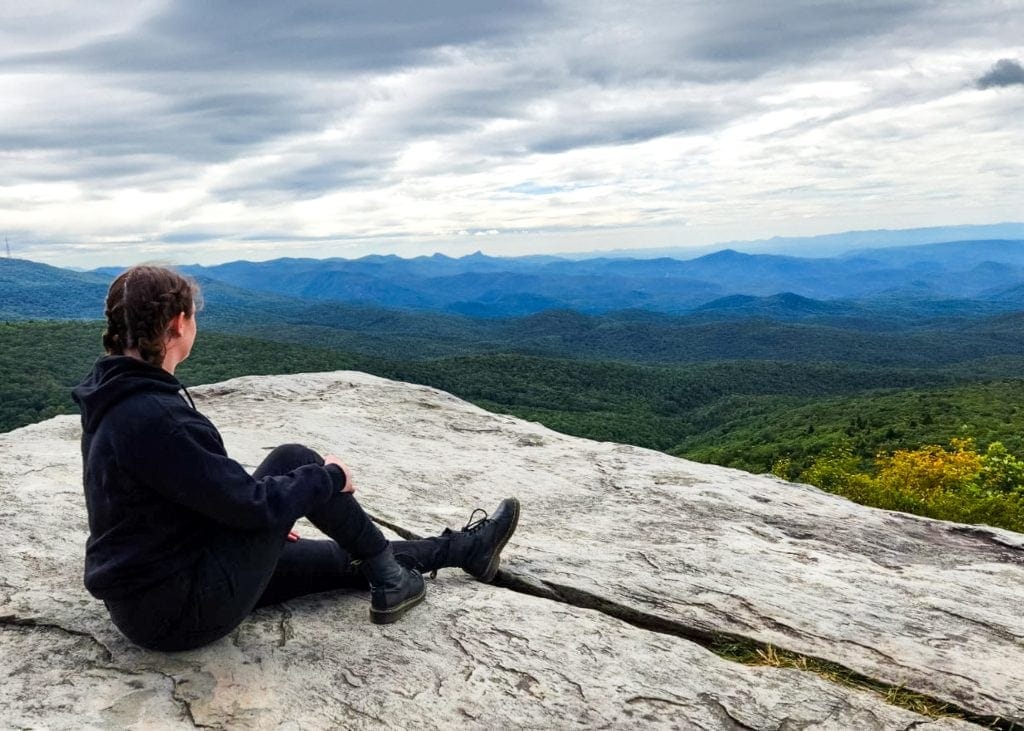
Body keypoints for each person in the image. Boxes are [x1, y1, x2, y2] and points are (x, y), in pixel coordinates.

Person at [72, 265, 520, 652]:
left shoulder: (114, 398)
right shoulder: (158, 417)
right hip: (183, 611)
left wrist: (259, 531)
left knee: (344, 560)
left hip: (169, 584)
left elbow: (183, 496)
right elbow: (250, 504)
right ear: (178, 323)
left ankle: (463, 551)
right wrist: (326, 479)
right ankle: (394, 580)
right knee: (298, 461)